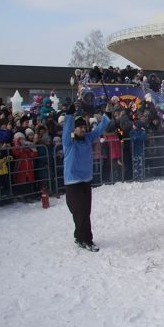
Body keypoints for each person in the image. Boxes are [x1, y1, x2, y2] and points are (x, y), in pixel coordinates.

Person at [62, 101, 111, 252]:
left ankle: (80, 236)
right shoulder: (69, 142)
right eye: (80, 127)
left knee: (86, 211)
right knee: (80, 210)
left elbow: (100, 129)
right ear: (74, 129)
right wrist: (70, 115)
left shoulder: (88, 138)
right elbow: (66, 130)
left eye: (84, 127)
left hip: (86, 180)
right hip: (72, 182)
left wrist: (107, 116)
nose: (83, 129)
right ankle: (86, 239)